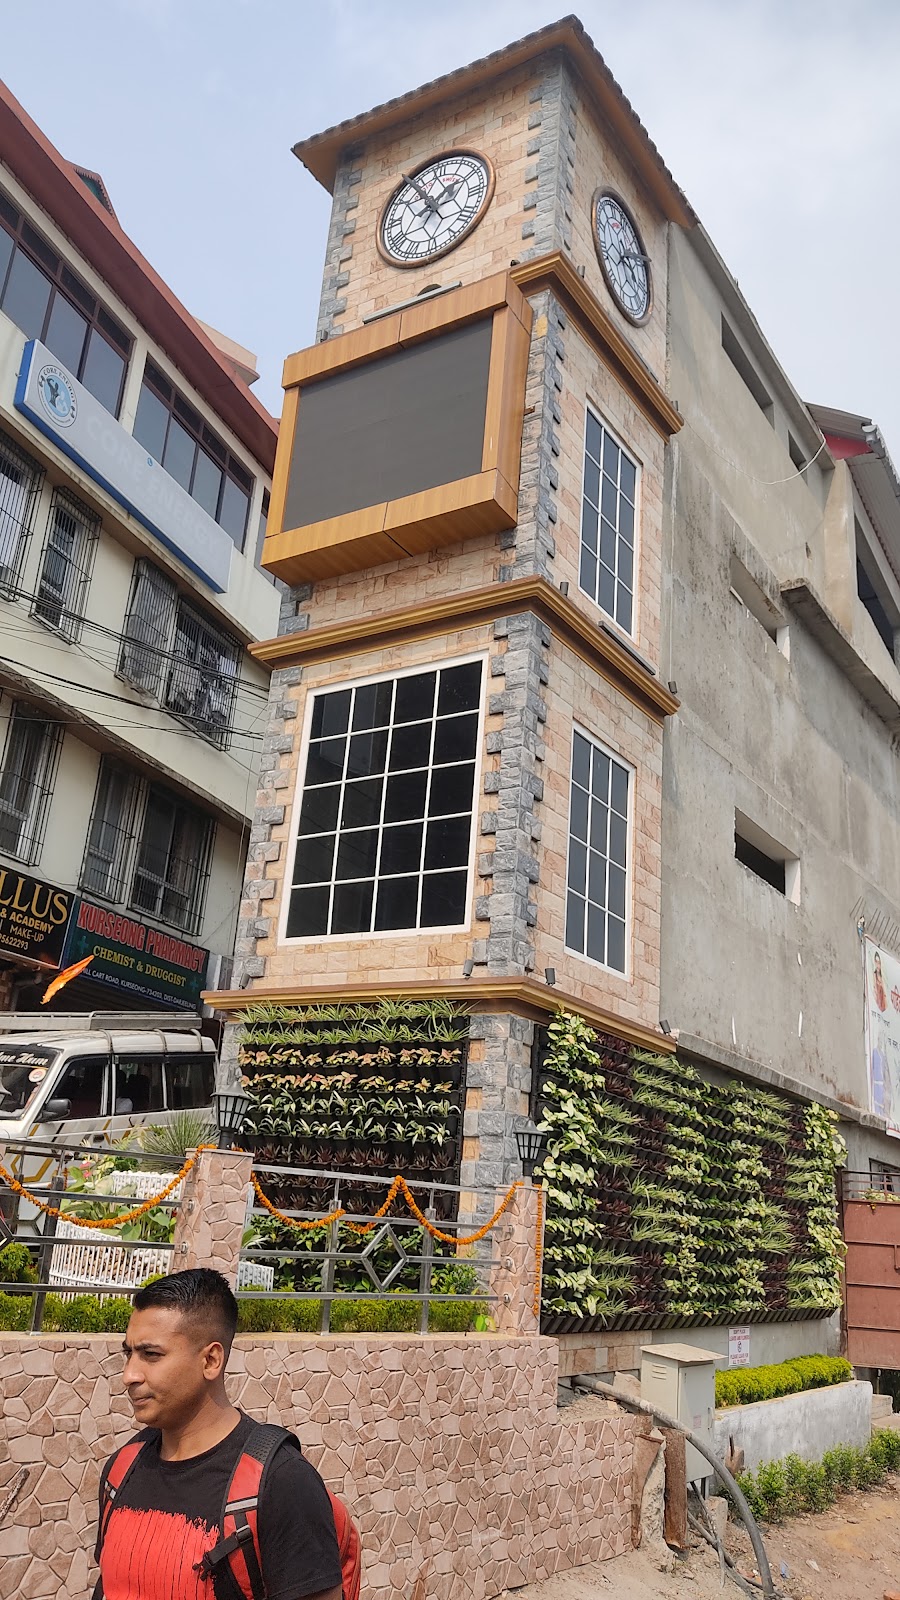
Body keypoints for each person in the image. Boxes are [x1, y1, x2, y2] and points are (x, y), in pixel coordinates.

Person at [94, 1268, 344, 1600]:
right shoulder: (123, 1467)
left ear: (211, 1360)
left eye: (151, 1355)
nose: (129, 1375)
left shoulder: (282, 1482)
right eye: (129, 1353)